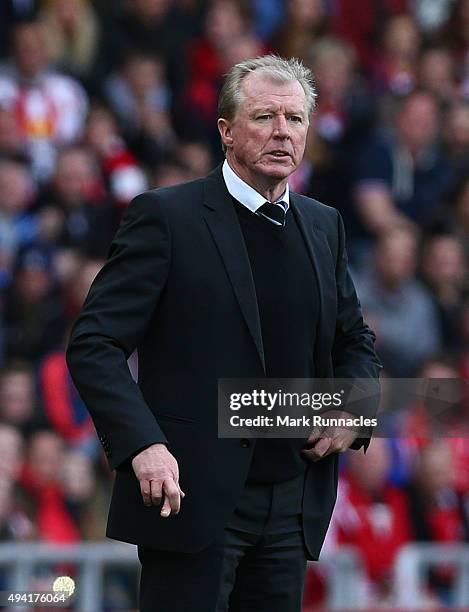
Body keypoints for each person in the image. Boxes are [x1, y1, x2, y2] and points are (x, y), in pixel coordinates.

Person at [66, 55, 381, 612]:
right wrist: (142, 444)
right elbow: (95, 343)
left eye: (295, 118)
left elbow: (353, 340)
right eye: (264, 117)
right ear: (226, 131)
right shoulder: (165, 217)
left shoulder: (323, 224)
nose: (282, 132)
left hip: (291, 502)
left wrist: (350, 412)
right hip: (188, 499)